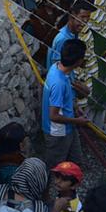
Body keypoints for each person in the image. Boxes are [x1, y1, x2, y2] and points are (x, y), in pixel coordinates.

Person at [43, 39, 89, 167]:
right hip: (58, 133)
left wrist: (74, 107)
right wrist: (78, 121)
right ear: (79, 61)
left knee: (75, 161)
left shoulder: (57, 68)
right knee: (57, 167)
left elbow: (63, 100)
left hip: (68, 127)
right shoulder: (59, 83)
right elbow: (54, 116)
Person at [44, 0, 95, 73]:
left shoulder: (74, 33)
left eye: (88, 17)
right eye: (82, 17)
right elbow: (59, 66)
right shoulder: (63, 39)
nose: (85, 21)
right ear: (73, 15)